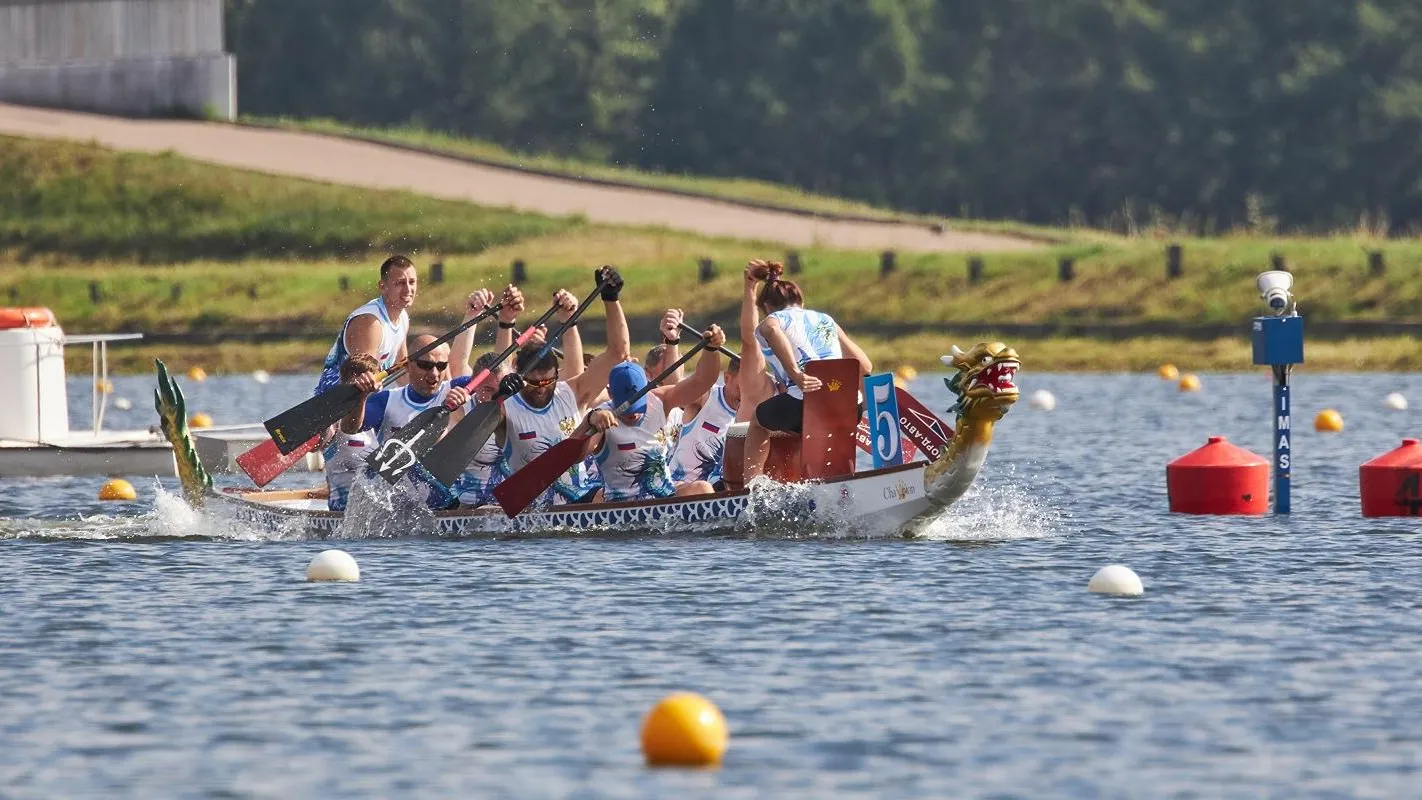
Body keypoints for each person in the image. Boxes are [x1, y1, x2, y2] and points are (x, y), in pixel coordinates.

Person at [494, 267, 631, 507]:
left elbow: (618, 353)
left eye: (548, 382)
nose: (541, 388)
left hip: (577, 504)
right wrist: (499, 393)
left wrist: (611, 299)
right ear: (519, 374)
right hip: (527, 509)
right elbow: (492, 396)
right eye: (534, 383)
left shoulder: (572, 393)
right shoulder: (506, 408)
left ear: (557, 374)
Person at [743, 260, 872, 482]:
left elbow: (771, 329)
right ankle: (824, 481)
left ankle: (751, 489)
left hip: (804, 403)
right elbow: (866, 366)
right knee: (810, 421)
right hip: (850, 406)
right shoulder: (826, 320)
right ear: (800, 301)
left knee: (757, 421)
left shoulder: (772, 319)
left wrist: (795, 374)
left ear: (768, 306)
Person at [582, 326, 727, 502]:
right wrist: (589, 422)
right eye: (628, 410)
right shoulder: (601, 416)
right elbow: (576, 457)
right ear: (611, 394)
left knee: (703, 488)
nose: (634, 415)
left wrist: (711, 350)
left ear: (647, 387)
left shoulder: (661, 399)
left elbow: (701, 381)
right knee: (597, 497)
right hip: (619, 504)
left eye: (638, 407)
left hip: (663, 496)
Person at [340, 332, 475, 508]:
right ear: (408, 365)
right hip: (399, 506)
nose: (434, 374)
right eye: (425, 365)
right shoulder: (386, 401)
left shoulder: (460, 388)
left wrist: (506, 322)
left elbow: (495, 378)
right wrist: (362, 397)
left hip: (450, 500)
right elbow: (349, 428)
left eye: (441, 366)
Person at [314, 254, 418, 395]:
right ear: (383, 286)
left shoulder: (403, 317)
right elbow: (364, 377)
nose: (408, 289)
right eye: (400, 283)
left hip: (363, 397)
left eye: (412, 282)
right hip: (337, 400)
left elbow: (401, 368)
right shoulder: (371, 323)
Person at [326, 353, 382, 511]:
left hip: (377, 507)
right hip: (343, 509)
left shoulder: (382, 412)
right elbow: (316, 445)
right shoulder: (333, 418)